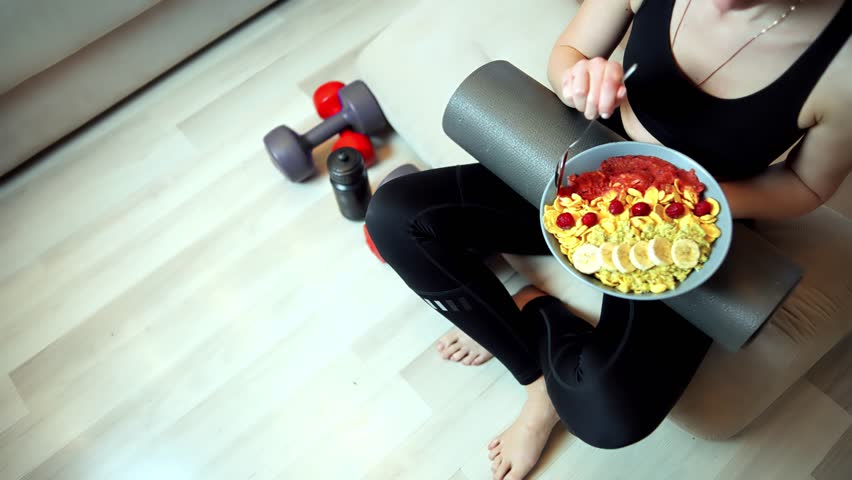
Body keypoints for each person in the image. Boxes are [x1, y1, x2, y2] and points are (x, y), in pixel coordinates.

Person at [365, 0, 852, 479]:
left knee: (607, 415)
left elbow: (805, 185)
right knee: (394, 217)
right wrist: (577, 78)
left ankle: (535, 308)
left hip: (698, 213)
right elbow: (570, 49)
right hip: (594, 154)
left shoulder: (844, 65)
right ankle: (535, 381)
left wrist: (698, 197)